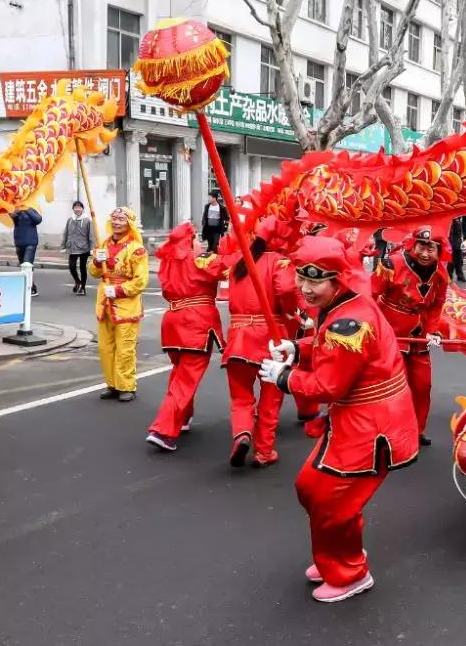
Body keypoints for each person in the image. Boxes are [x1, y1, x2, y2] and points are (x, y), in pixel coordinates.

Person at [259, 235, 418, 603]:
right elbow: (329, 346)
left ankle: (349, 571)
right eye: (302, 278)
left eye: (316, 281)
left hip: (371, 427)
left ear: (337, 280)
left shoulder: (351, 321)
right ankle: (337, 557)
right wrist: (297, 348)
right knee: (312, 488)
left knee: (333, 501)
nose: (305, 288)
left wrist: (282, 376)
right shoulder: (344, 307)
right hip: (356, 421)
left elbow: (328, 385)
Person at [222, 216, 299, 467]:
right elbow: (287, 291)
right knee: (271, 396)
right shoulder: (279, 261)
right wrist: (291, 311)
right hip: (270, 336)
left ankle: (242, 434)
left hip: (238, 336)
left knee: (241, 397)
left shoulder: (239, 262)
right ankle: (264, 451)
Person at [146, 222, 225, 452]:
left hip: (172, 321)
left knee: (179, 373)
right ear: (190, 240)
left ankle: (183, 418)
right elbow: (227, 268)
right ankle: (163, 429)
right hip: (196, 322)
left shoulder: (168, 263)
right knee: (186, 378)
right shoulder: (200, 259)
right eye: (197, 238)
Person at [372, 226, 450, 446]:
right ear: (413, 245)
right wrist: (376, 328)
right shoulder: (391, 265)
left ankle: (416, 430)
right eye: (422, 246)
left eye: (431, 248)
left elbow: (437, 303)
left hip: (420, 335)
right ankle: (391, 432)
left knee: (422, 385)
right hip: (391, 333)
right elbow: (371, 295)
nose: (426, 253)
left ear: (439, 250)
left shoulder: (441, 273)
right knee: (395, 384)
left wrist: (433, 329)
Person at [90, 207, 149, 403]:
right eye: (114, 219)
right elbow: (94, 272)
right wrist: (98, 263)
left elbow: (141, 281)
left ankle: (126, 386)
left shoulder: (136, 249)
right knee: (105, 349)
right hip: (104, 305)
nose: (116, 223)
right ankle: (112, 384)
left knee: (125, 350)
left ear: (129, 224)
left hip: (126, 307)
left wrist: (118, 290)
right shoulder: (103, 244)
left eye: (121, 220)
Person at [62, 201, 95, 295]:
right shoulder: (70, 219)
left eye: (79, 207)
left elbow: (91, 235)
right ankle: (78, 281)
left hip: (84, 248)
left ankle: (83, 288)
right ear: (73, 209)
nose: (77, 209)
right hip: (72, 247)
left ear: (82, 209)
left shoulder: (87, 220)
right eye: (76, 207)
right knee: (71, 266)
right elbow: (66, 233)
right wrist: (63, 245)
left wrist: (92, 248)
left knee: (82, 267)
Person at [10, 207, 42, 296]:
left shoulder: (32, 209)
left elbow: (38, 219)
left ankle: (30, 287)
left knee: (27, 263)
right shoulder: (16, 210)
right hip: (19, 242)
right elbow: (12, 218)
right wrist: (15, 213)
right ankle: (32, 286)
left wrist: (27, 210)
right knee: (23, 265)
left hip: (31, 242)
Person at [447, 216, 466, 282]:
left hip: (458, 238)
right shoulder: (452, 216)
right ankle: (449, 276)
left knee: (459, 258)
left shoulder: (462, 216)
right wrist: (449, 242)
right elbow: (450, 231)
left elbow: (465, 225)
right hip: (452, 239)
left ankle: (460, 275)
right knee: (451, 258)